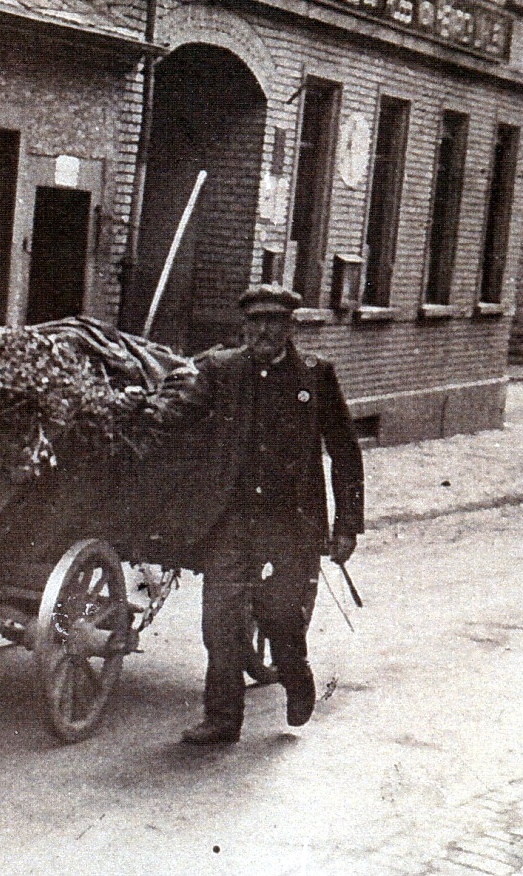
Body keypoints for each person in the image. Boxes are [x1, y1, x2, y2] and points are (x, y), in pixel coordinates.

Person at [158, 283, 363, 745]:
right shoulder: (221, 370)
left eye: (275, 321)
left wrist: (346, 525)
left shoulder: (315, 375)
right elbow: (185, 413)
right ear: (244, 326)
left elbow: (345, 452)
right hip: (233, 517)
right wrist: (149, 411)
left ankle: (296, 673)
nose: (264, 331)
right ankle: (222, 719)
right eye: (255, 322)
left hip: (292, 521)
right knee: (220, 622)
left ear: (290, 326)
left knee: (281, 616)